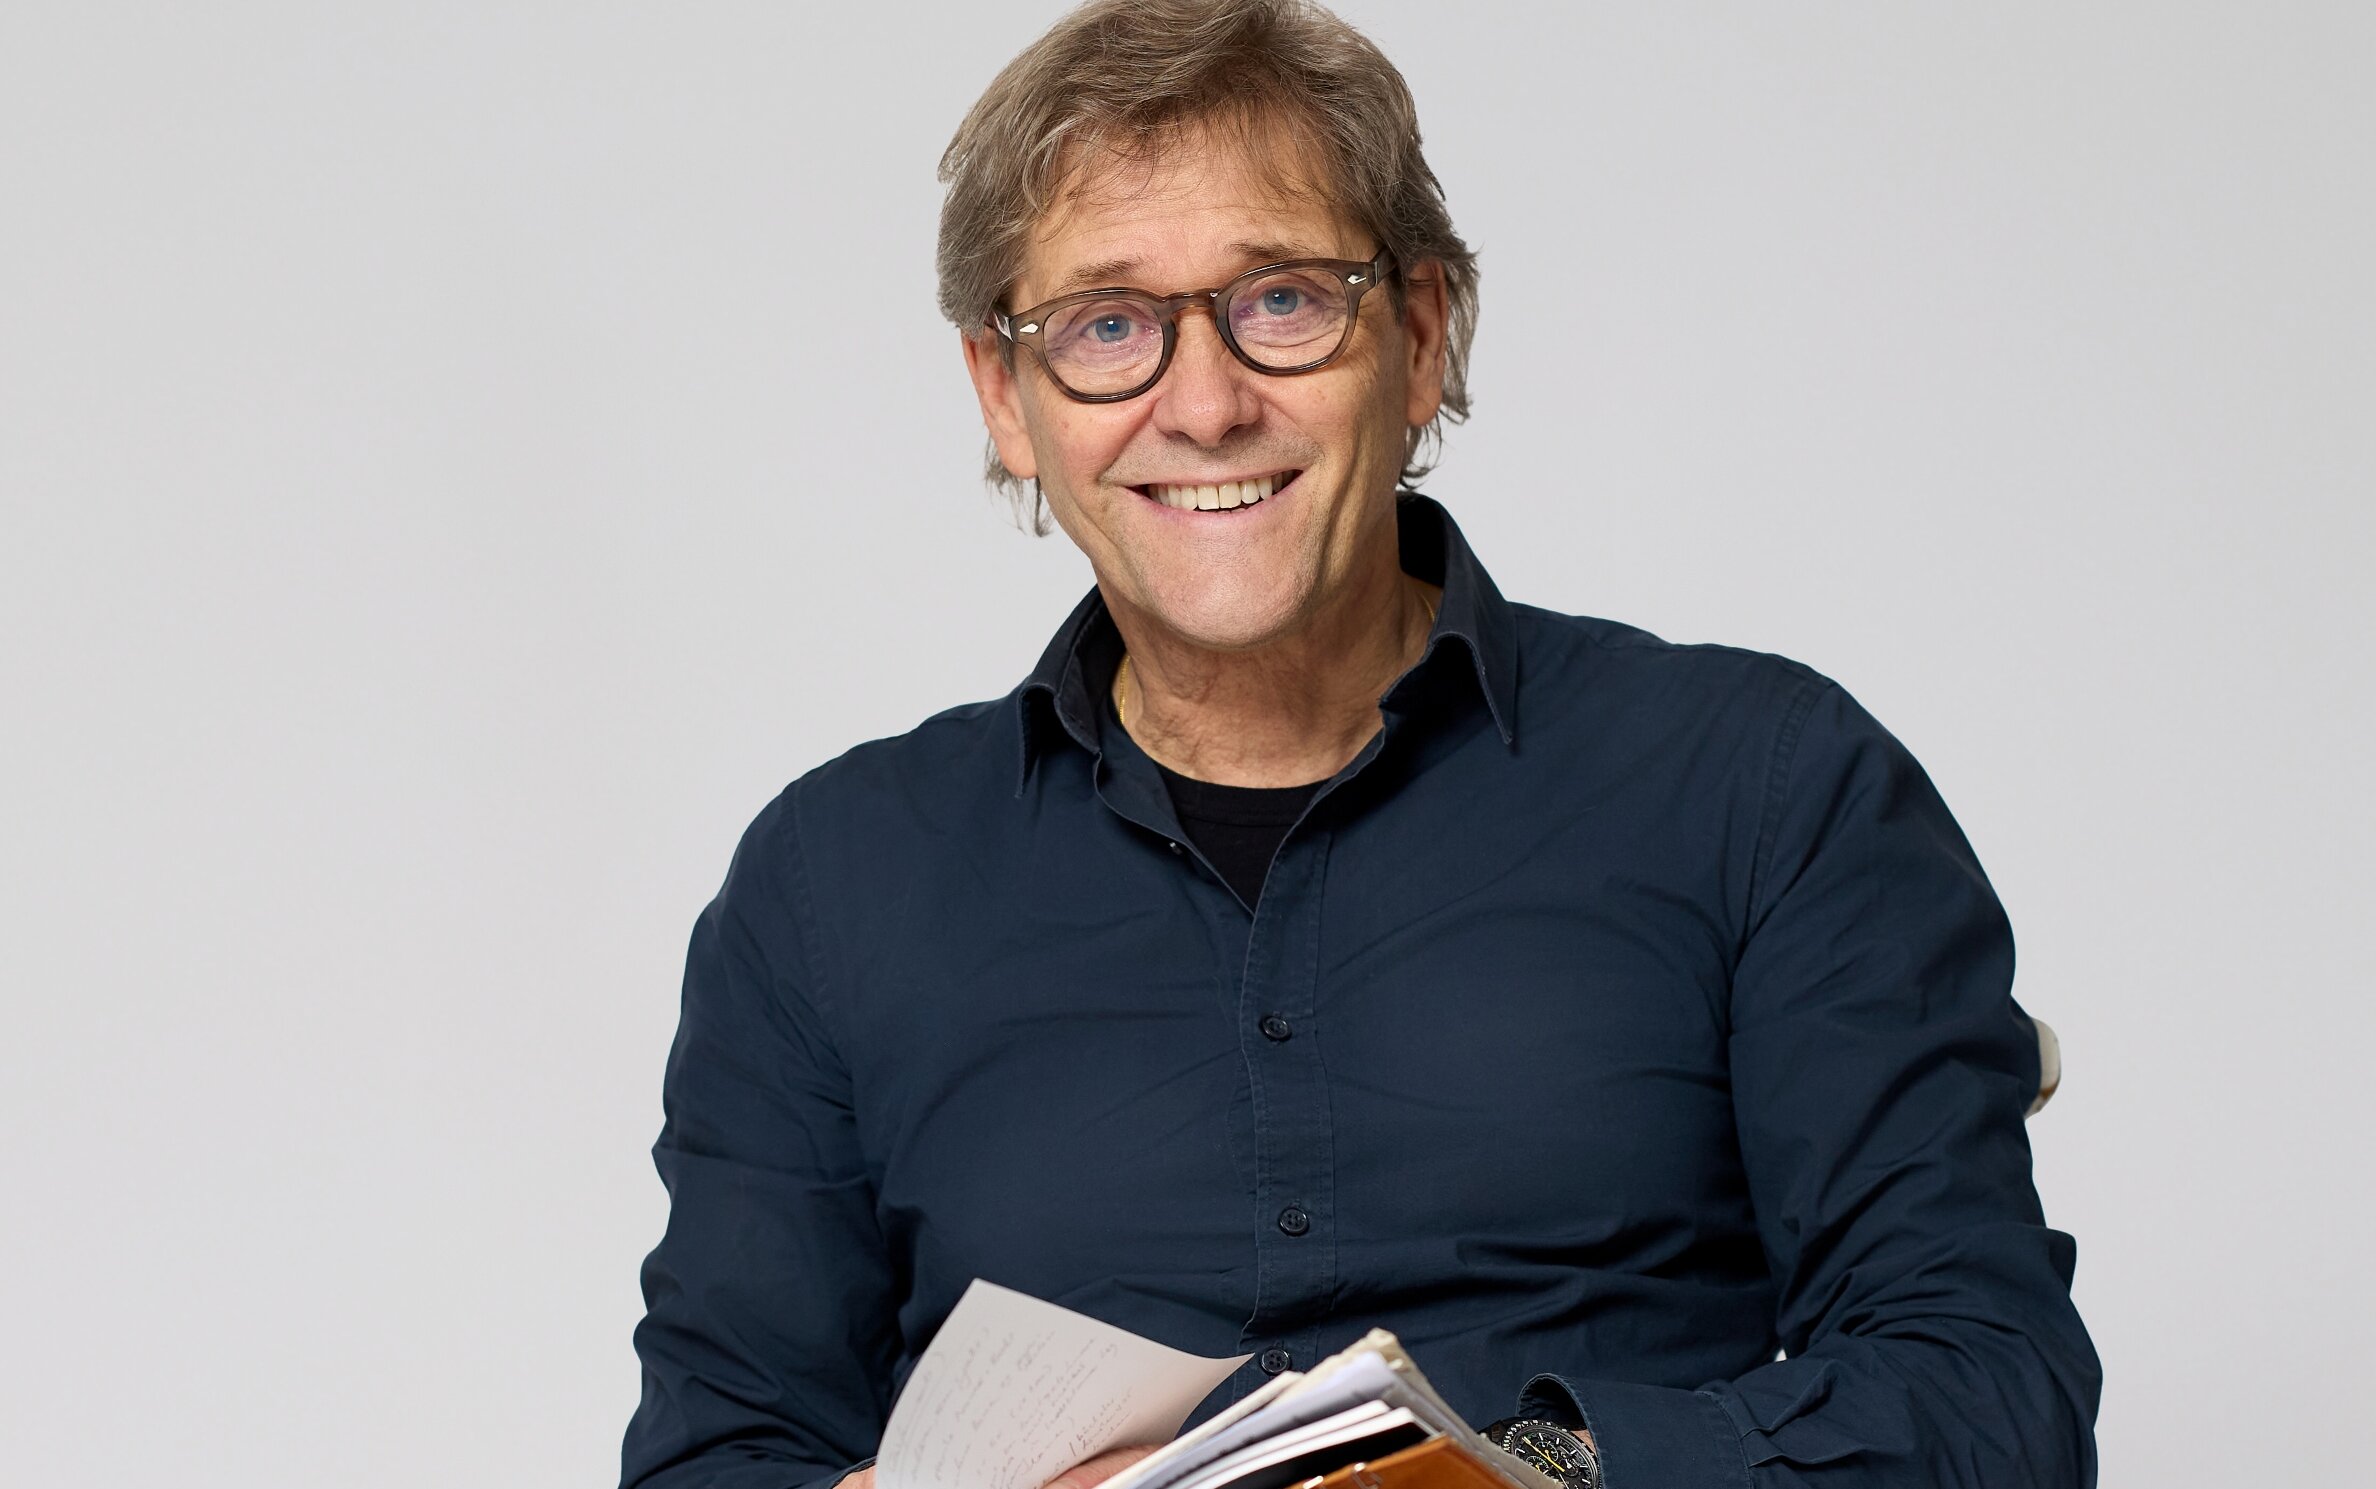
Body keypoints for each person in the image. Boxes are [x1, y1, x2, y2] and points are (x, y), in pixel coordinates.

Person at [618, 2, 2101, 1486]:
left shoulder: (1764, 791)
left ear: (1419, 333)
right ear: (1007, 399)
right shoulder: (828, 886)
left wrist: (1525, 1473)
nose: (1205, 406)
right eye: (1107, 326)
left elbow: (1986, 1393)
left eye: (1281, 301)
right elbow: (715, 1458)